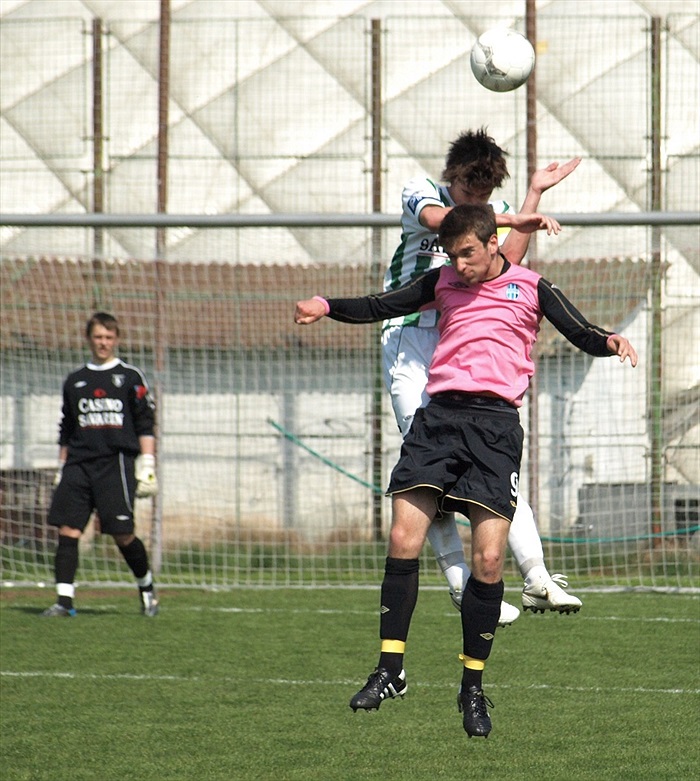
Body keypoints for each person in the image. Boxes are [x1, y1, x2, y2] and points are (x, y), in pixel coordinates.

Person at [295, 203, 637, 737]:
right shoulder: (443, 282)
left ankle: (472, 687)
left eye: (468, 253)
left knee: (490, 559)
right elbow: (381, 304)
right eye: (453, 255)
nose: (460, 264)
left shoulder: (532, 287)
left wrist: (610, 340)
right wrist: (325, 305)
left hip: (495, 430)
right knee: (403, 538)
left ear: (493, 242)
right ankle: (389, 669)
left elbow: (580, 330)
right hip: (438, 421)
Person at [383, 128, 583, 622]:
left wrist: (533, 193)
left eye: (486, 194)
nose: (477, 201)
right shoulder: (421, 191)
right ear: (453, 178)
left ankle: (536, 577)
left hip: (465, 341)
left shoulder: (498, 212)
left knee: (496, 466)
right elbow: (443, 220)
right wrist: (507, 216)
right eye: (470, 192)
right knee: (424, 472)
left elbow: (508, 260)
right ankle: (459, 582)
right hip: (412, 341)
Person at [42, 312, 160, 617]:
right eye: (98, 337)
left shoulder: (130, 377)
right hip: (79, 463)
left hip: (115, 463)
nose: (103, 343)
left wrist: (147, 463)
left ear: (116, 339)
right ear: (88, 339)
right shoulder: (75, 380)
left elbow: (145, 423)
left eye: (108, 337)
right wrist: (61, 467)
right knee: (68, 530)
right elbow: (67, 427)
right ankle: (64, 602)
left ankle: (147, 588)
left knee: (122, 534)